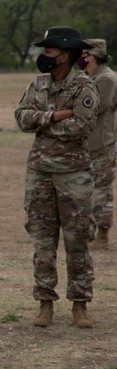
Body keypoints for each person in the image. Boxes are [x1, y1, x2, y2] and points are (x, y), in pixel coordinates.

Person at [14, 26, 98, 329]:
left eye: (49, 52)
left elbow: (82, 126)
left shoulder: (84, 87)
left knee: (77, 241)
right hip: (39, 173)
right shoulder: (37, 83)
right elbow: (22, 117)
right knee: (42, 242)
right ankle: (45, 302)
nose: (43, 57)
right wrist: (53, 115)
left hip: (73, 175)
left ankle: (80, 304)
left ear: (64, 56)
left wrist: (43, 120)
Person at [81, 39, 117, 248]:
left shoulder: (107, 78)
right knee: (83, 191)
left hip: (102, 145)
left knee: (102, 190)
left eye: (82, 54)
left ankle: (102, 235)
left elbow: (97, 107)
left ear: (91, 56)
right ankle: (87, 232)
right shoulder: (89, 77)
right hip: (87, 143)